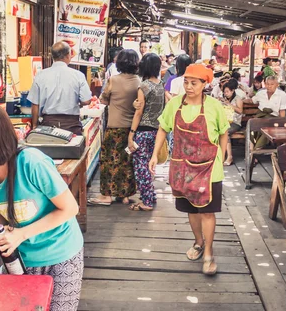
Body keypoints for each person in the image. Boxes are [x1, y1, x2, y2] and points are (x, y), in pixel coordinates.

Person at [0, 101, 83, 311]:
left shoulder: (31, 163)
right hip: (21, 259)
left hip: (62, 255)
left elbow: (70, 209)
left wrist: (21, 234)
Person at [150, 64, 228, 276]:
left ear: (205, 84)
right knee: (192, 209)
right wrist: (155, 154)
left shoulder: (214, 106)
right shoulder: (175, 103)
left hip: (210, 166)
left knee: (208, 211)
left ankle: (209, 253)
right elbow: (162, 128)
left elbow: (223, 132)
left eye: (194, 83)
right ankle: (198, 242)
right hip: (182, 165)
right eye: (186, 82)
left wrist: (221, 156)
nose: (189, 86)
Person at [90, 49, 141, 206]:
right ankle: (124, 195)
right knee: (127, 160)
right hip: (132, 131)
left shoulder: (113, 80)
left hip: (114, 129)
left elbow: (103, 100)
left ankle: (106, 196)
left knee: (109, 161)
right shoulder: (139, 81)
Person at [127, 53, 165, 211]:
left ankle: (147, 202)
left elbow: (139, 112)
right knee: (150, 166)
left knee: (141, 167)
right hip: (157, 131)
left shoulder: (144, 86)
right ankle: (150, 196)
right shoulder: (161, 85)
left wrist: (131, 134)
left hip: (142, 132)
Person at [28, 41, 92, 134]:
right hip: (72, 126)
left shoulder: (40, 75)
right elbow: (86, 101)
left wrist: (34, 125)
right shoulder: (78, 75)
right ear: (67, 55)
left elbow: (35, 104)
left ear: (53, 56)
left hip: (48, 125)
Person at [221, 78, 243, 166]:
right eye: (224, 92)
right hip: (225, 121)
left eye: (227, 92)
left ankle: (229, 156)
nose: (225, 93)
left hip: (235, 123)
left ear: (232, 90)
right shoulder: (225, 99)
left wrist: (229, 105)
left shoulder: (238, 99)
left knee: (225, 132)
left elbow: (240, 111)